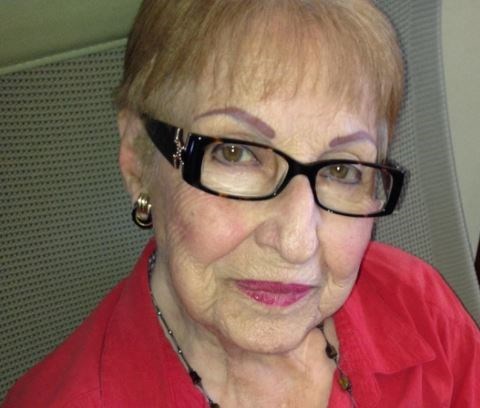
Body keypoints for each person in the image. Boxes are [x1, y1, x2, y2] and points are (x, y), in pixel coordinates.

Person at [3, 0, 479, 407]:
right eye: (234, 153)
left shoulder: (421, 308)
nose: (296, 242)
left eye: (341, 171)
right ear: (137, 159)